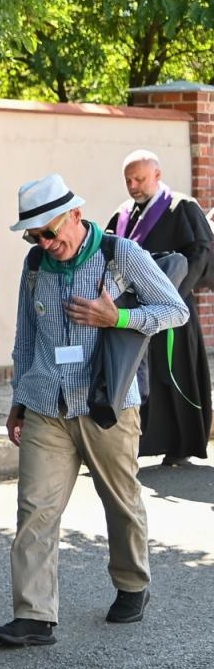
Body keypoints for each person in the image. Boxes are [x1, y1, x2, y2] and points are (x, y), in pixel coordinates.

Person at [0, 174, 187, 647]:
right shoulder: (36, 262)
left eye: (50, 231)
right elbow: (25, 335)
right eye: (34, 235)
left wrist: (115, 317)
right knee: (34, 509)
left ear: (75, 215)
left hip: (107, 405)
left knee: (120, 501)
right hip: (46, 406)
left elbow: (174, 309)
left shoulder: (120, 255)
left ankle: (132, 582)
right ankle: (35, 615)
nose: (44, 242)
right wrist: (19, 396)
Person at [105, 149, 213, 465]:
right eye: (128, 180)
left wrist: (167, 292)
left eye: (139, 178)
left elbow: (200, 253)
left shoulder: (182, 208)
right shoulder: (122, 214)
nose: (134, 185)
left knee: (171, 377)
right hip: (134, 313)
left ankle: (180, 445)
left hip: (172, 310)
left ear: (157, 174)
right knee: (137, 380)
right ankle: (137, 443)